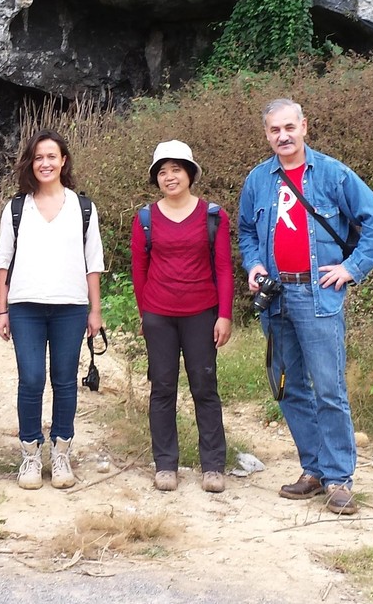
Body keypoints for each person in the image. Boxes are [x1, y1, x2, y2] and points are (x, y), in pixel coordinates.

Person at [237, 98, 373, 515]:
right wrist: (253, 265)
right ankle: (314, 469)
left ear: (304, 126)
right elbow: (247, 230)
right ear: (266, 133)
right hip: (276, 299)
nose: (283, 136)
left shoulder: (332, 173)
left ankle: (340, 478)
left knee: (329, 389)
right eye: (275, 130)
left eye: (290, 127)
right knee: (288, 388)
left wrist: (351, 267)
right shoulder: (258, 179)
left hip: (317, 296)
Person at [0, 130, 104, 490]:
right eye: (39, 157)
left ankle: (60, 452)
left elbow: (93, 263)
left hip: (70, 307)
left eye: (52, 156)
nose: (45, 163)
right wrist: (2, 309)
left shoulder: (82, 207)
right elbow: (3, 260)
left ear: (64, 161)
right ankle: (29, 454)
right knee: (31, 378)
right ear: (31, 162)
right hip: (25, 305)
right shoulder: (16, 208)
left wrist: (95, 311)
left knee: (64, 380)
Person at [131, 140, 234, 493]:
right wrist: (145, 313)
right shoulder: (145, 218)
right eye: (162, 171)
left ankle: (213, 466)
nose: (169, 177)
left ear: (190, 173)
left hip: (201, 314)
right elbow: (139, 270)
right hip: (159, 314)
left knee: (204, 387)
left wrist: (224, 315)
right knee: (162, 389)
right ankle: (165, 465)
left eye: (176, 169)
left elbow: (223, 267)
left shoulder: (213, 216)